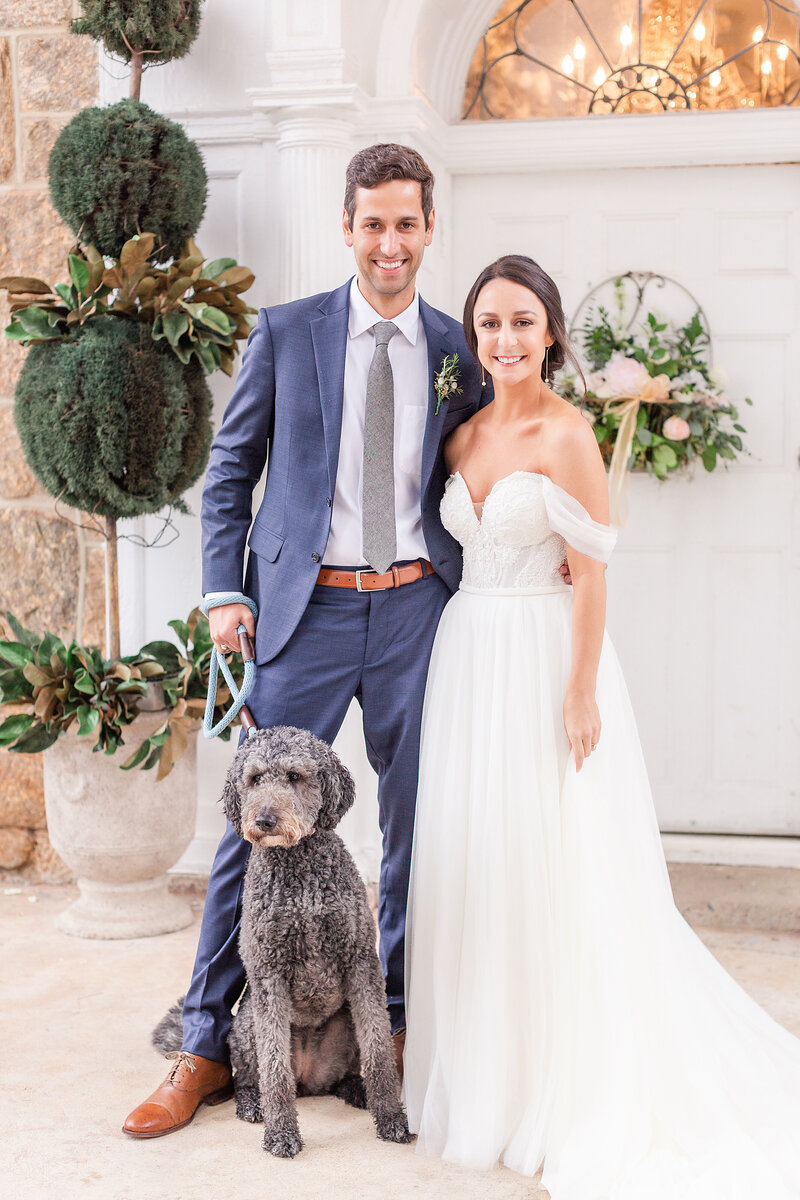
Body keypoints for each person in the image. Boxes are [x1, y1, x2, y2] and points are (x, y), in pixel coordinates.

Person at [402, 254, 800, 1199]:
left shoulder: (569, 433)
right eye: (489, 323)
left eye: (523, 322)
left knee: (558, 857)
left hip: (545, 656)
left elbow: (592, 574)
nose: (505, 339)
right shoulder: (458, 437)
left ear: (551, 334)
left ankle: (559, 1079)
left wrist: (579, 691)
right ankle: (485, 1077)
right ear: (474, 334)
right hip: (469, 659)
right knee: (480, 851)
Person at [123, 143, 487, 1138]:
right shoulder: (287, 333)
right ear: (346, 227)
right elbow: (231, 467)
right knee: (254, 832)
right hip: (303, 611)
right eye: (372, 221)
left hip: (418, 608)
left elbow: (485, 476)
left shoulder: (457, 349)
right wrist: (219, 593)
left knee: (415, 830)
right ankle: (202, 1041)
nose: (389, 241)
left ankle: (393, 1038)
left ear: (426, 230)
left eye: (406, 222)